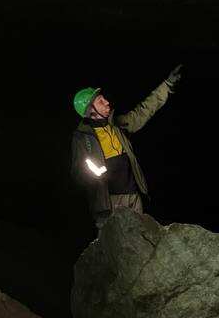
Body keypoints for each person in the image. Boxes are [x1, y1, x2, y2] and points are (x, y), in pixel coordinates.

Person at [71, 66, 182, 233]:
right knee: (116, 250)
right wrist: (93, 172)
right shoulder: (82, 137)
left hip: (133, 195)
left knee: (140, 239)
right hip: (110, 202)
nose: (107, 102)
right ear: (90, 111)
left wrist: (167, 85)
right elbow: (77, 173)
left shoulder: (117, 125)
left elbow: (143, 111)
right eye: (100, 101)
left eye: (104, 98)